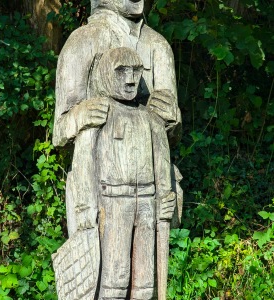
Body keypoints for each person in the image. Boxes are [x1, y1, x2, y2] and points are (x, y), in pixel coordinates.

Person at [53, 0, 182, 236]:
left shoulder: (158, 46)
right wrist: (79, 115)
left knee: (149, 269)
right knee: (110, 270)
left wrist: (170, 118)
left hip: (149, 189)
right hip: (99, 188)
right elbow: (59, 133)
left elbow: (171, 136)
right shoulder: (83, 41)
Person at [87, 47, 174, 299]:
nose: (130, 78)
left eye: (136, 71)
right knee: (115, 278)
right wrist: (84, 209)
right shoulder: (100, 115)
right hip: (113, 205)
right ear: (106, 73)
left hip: (147, 205)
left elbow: (162, 163)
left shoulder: (151, 119)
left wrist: (167, 198)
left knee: (145, 283)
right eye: (121, 71)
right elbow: (84, 166)